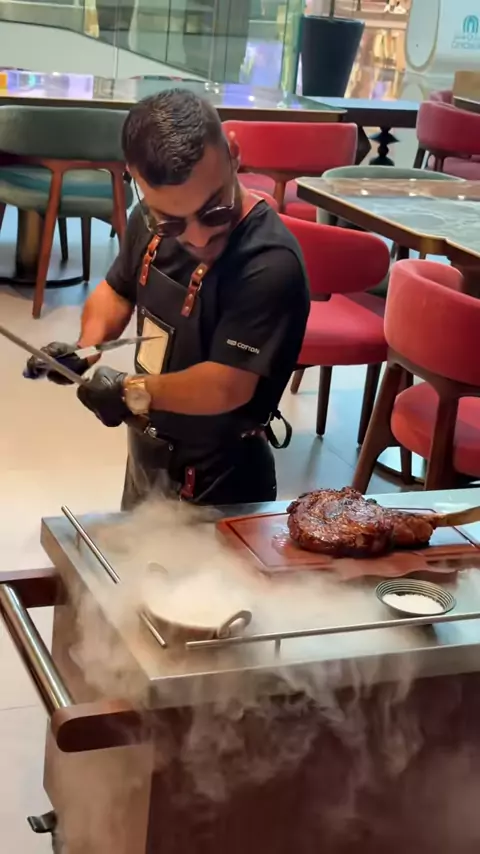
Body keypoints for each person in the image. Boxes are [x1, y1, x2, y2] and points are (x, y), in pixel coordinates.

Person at [25, 90, 309, 509]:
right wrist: (86, 348)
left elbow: (226, 386)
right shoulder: (147, 220)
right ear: (136, 180)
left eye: (214, 210)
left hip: (220, 475)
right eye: (173, 224)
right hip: (148, 450)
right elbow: (117, 289)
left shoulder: (269, 263)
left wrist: (129, 391)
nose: (199, 237)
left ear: (233, 154)